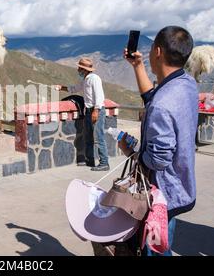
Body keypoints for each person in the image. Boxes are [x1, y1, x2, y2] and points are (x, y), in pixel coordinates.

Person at [121, 26, 198, 256]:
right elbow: (153, 98)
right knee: (164, 244)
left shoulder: (162, 104)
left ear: (157, 51)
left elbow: (159, 158)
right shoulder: (186, 84)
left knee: (153, 250)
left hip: (160, 195)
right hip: (179, 187)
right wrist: (138, 66)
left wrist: (132, 152)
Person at [55, 58, 109, 171]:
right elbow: (74, 88)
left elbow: (99, 96)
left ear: (84, 69)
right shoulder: (85, 80)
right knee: (88, 137)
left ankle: (104, 163)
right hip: (88, 111)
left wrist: (96, 111)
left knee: (98, 137)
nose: (78, 69)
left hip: (95, 110)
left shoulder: (94, 79)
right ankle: (90, 161)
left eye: (80, 68)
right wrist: (61, 87)